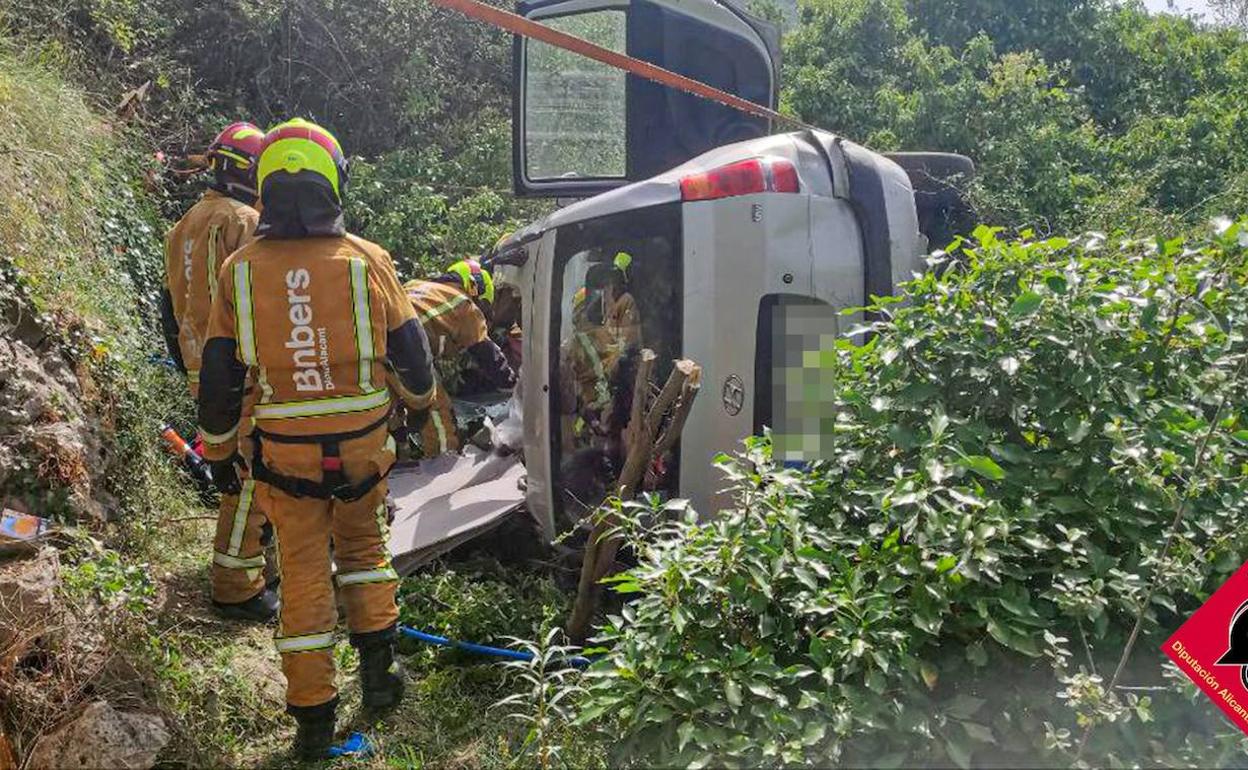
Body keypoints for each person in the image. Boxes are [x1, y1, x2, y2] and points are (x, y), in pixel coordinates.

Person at [197, 118, 437, 758]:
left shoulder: (240, 272)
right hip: (363, 450)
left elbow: (220, 382)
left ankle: (312, 723)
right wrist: (412, 414)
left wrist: (220, 456)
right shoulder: (368, 261)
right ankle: (381, 680)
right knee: (363, 550)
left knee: (303, 579)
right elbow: (415, 366)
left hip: (284, 463)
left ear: (265, 187)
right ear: (335, 182)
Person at [159, 121, 277, 622]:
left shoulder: (183, 224)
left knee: (237, 464)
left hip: (199, 368)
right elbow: (259, 301)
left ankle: (257, 560)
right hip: (240, 367)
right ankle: (236, 587)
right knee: (247, 473)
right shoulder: (244, 222)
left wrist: (189, 365)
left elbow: (168, 309)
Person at [403, 259, 516, 456]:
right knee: (439, 420)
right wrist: (514, 387)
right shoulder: (462, 303)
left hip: (371, 351)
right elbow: (488, 354)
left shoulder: (414, 286)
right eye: (483, 304)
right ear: (475, 288)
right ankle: (444, 471)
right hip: (405, 352)